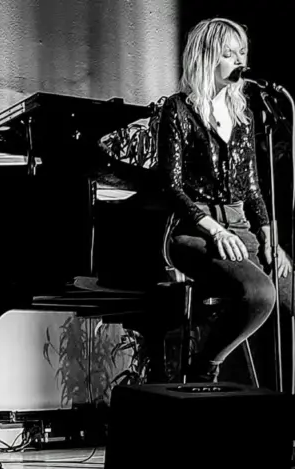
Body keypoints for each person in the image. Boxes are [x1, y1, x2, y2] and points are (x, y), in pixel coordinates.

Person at [157, 18, 293, 384]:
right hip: (196, 229)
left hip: (240, 225)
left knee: (289, 293)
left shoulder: (243, 115)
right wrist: (215, 232)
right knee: (258, 293)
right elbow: (170, 186)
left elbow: (251, 186)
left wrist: (269, 236)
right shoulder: (179, 110)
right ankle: (206, 365)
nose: (238, 61)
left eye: (242, 53)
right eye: (228, 53)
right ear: (206, 58)